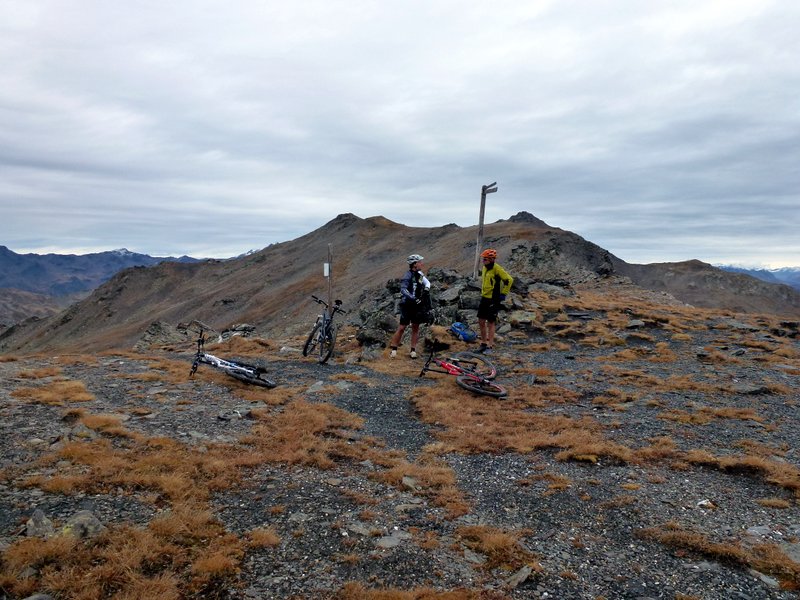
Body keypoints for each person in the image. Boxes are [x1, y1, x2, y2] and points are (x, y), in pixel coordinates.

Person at [389, 254, 431, 359]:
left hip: (417, 305)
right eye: (420, 262)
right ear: (415, 264)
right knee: (402, 327)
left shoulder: (420, 274)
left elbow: (427, 283)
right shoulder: (407, 275)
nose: (422, 263)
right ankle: (393, 350)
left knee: (415, 327)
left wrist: (426, 290)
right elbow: (403, 289)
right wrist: (413, 298)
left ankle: (413, 350)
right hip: (407, 304)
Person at [475, 248, 513, 354]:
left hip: (493, 299)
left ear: (491, 259)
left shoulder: (497, 269)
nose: (483, 261)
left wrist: (503, 294)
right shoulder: (485, 268)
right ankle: (483, 343)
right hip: (484, 298)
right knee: (481, 321)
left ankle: (490, 346)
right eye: (483, 259)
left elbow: (509, 280)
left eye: (485, 259)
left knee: (490, 322)